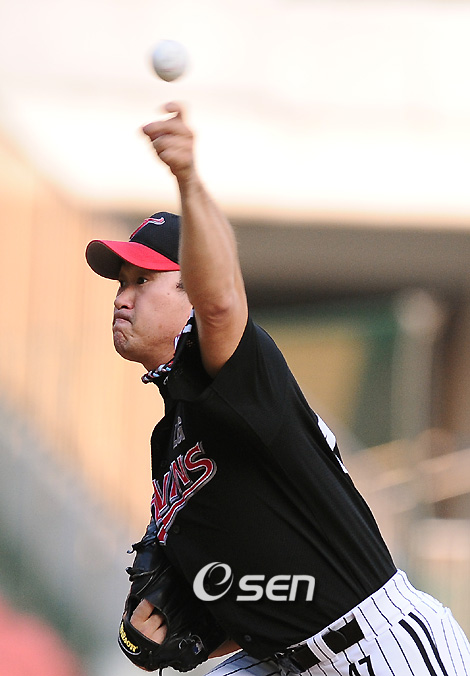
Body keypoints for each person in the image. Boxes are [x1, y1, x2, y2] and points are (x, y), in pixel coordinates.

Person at [86, 102, 470, 676]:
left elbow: (222, 301)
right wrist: (164, 631)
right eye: (121, 283)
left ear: (191, 295)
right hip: (281, 659)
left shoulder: (240, 375)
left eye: (143, 280)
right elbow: (230, 606)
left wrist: (189, 180)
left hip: (379, 649)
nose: (123, 297)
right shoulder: (171, 439)